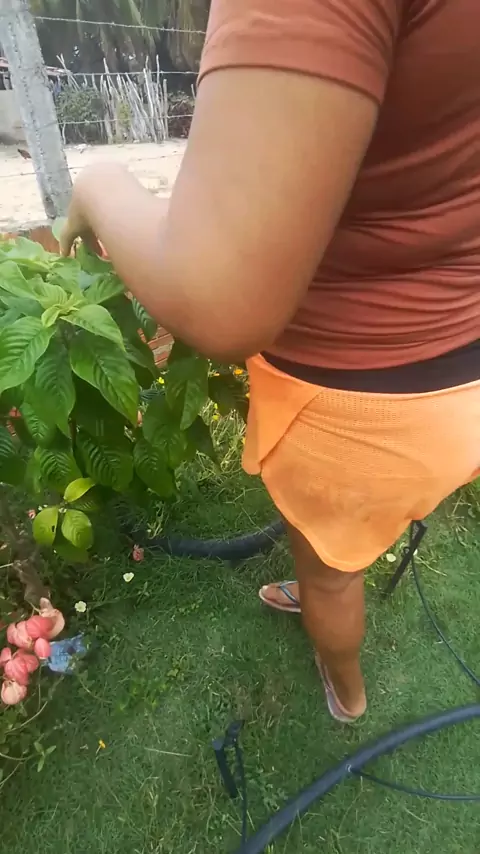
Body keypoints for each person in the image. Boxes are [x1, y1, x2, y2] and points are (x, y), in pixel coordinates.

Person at [60, 0, 480, 723]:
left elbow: (218, 299)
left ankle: (345, 689)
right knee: (348, 532)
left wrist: (99, 185)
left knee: (333, 577)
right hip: (459, 380)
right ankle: (334, 558)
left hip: (356, 410)